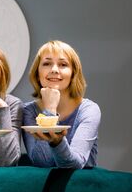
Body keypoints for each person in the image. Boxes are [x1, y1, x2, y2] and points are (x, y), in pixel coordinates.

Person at [23, 40, 101, 168]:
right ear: (37, 73)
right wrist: (50, 110)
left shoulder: (89, 110)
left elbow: (75, 164)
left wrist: (56, 140)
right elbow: (42, 162)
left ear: (73, 73)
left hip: (81, 184)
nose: (54, 70)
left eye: (63, 64)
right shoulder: (29, 111)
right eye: (47, 63)